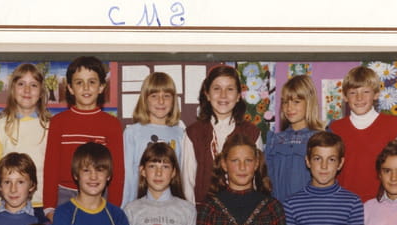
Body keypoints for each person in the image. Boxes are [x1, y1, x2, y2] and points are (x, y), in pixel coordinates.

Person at [43, 56, 124, 212]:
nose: (86, 88)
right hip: (64, 195)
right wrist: (50, 207)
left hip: (99, 194)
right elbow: (51, 167)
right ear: (70, 88)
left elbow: (117, 170)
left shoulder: (112, 124)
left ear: (101, 87)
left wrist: (113, 208)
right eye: (79, 82)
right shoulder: (58, 122)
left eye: (92, 82)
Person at [182, 65, 263, 206]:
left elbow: (257, 180)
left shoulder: (252, 133)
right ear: (207, 94)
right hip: (203, 210)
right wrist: (191, 215)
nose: (223, 95)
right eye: (217, 89)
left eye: (230, 89)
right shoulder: (193, 133)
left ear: (238, 96)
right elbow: (187, 183)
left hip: (242, 208)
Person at [329, 65, 397, 202]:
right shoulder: (335, 129)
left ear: (376, 94)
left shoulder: (393, 125)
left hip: (382, 203)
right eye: (353, 92)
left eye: (366, 92)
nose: (359, 98)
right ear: (345, 96)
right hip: (344, 203)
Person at [0, 63, 51, 207]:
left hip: (42, 204)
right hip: (8, 205)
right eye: (21, 84)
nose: (27, 90)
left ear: (41, 92)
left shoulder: (51, 127)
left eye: (33, 85)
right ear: (12, 89)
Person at [122, 72, 185, 207]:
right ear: (145, 99)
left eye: (166, 96)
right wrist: (126, 206)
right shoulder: (132, 133)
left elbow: (181, 175)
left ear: (174, 100)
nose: (161, 101)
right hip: (139, 205)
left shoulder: (180, 134)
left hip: (170, 206)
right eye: (154, 96)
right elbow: (129, 176)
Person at [264, 74, 324, 204]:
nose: (289, 108)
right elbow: (267, 180)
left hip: (309, 208)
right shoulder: (275, 140)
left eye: (296, 102)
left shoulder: (320, 139)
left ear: (309, 102)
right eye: (285, 102)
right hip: (279, 209)